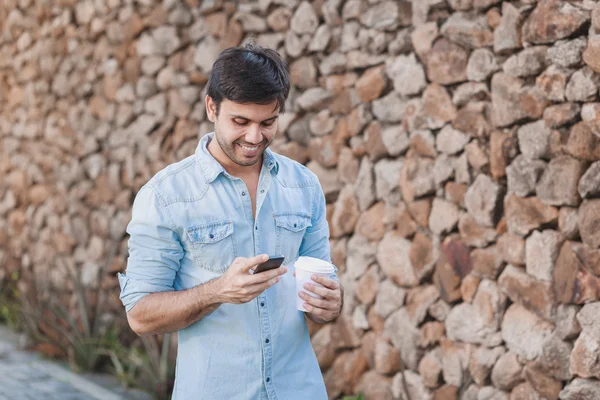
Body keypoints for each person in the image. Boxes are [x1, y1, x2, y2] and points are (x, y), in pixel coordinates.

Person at [117, 43, 343, 400]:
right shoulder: (165, 196)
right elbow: (141, 315)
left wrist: (330, 304)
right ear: (212, 107)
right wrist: (218, 291)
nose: (255, 137)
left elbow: (321, 290)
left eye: (267, 122)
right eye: (241, 122)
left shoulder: (304, 186)